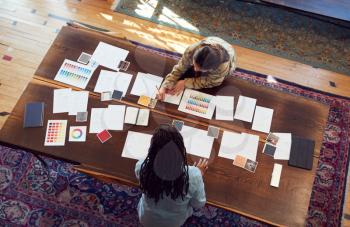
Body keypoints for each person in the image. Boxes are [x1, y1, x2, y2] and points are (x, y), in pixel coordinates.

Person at [135, 124, 209, 227]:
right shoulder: (193, 175)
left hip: (146, 218)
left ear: (152, 150)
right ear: (181, 150)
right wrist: (199, 174)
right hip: (173, 223)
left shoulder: (141, 166)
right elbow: (198, 204)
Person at [157, 36, 236, 100]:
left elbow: (213, 82)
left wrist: (186, 82)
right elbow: (179, 68)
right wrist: (166, 85)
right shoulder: (192, 50)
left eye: (200, 69)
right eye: (194, 65)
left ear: (211, 69)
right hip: (213, 40)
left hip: (228, 53)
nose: (195, 69)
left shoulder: (222, 67)